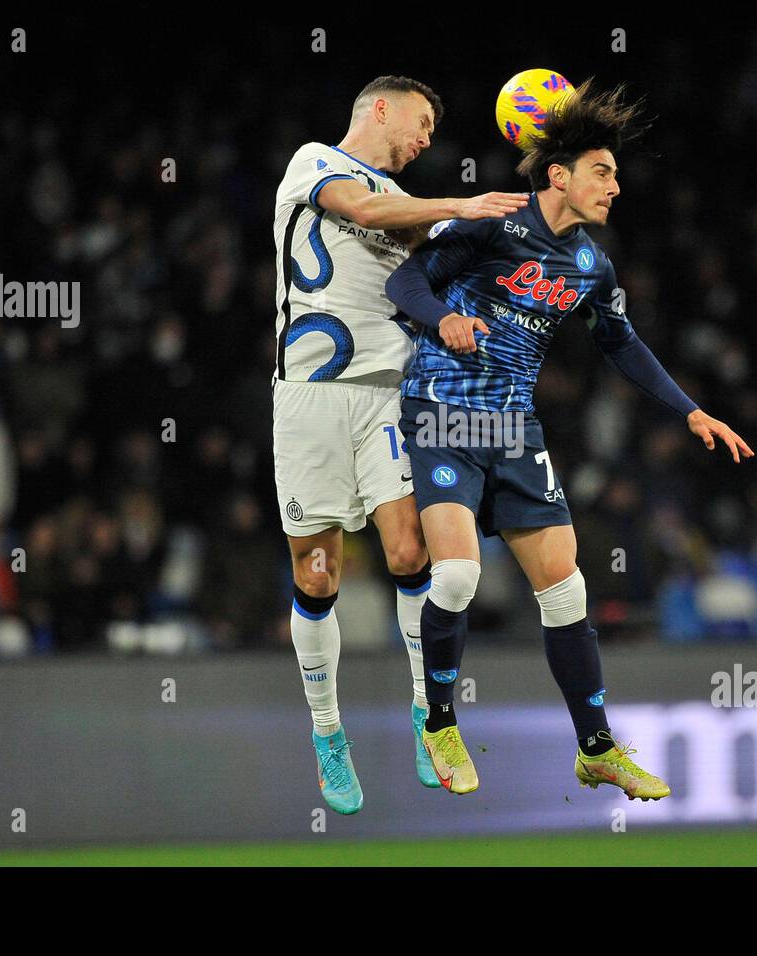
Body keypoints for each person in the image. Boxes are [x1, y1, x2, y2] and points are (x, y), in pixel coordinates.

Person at [385, 81, 754, 798]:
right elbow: (405, 285)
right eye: (603, 171)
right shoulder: (491, 225)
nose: (616, 186)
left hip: (515, 429)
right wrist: (443, 322)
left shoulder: (590, 266)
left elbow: (623, 343)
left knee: (567, 591)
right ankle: (437, 724)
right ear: (559, 175)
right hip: (443, 413)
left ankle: (596, 748)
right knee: (456, 576)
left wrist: (690, 411)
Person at [271, 75, 529, 813]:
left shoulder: (406, 208)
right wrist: (457, 203)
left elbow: (447, 253)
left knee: (411, 551)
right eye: (419, 124)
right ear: (379, 107)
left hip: (391, 394)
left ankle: (429, 717)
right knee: (318, 575)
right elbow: (362, 207)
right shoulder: (316, 163)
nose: (424, 141)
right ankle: (328, 732)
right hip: (311, 399)